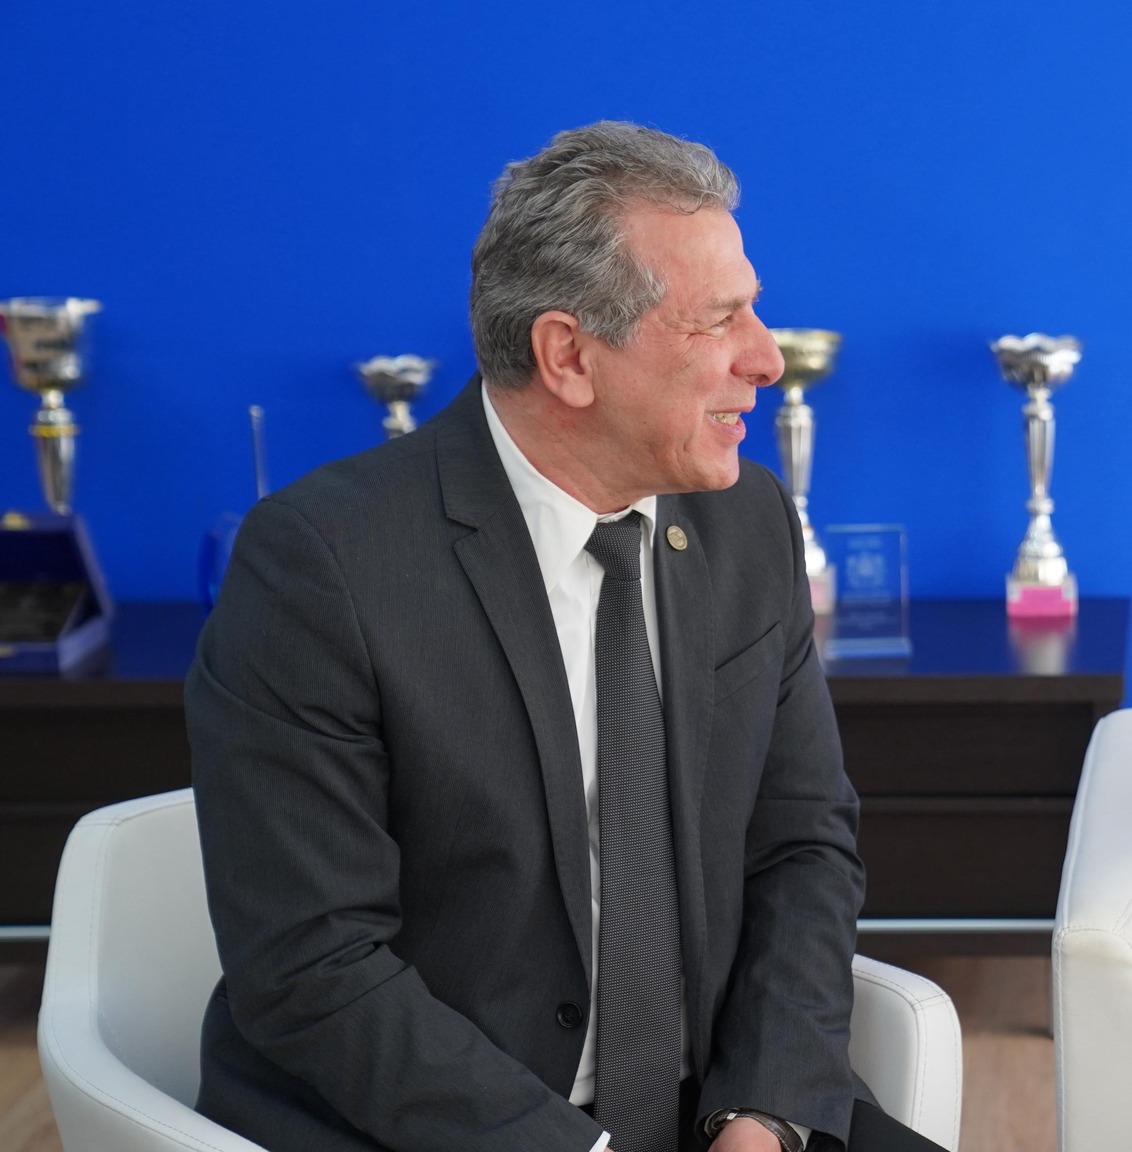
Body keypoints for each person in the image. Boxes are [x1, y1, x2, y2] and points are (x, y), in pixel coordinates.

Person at [188, 122, 941, 1152]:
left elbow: (802, 845)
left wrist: (761, 1115)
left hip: (712, 1109)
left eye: (753, 309)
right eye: (718, 321)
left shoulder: (747, 522)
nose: (765, 358)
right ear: (569, 357)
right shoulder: (321, 566)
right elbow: (312, 966)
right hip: (438, 1127)